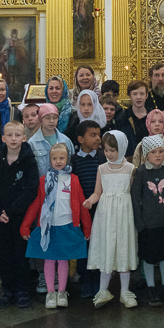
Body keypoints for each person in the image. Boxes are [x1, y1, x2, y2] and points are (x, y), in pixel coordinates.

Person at [22, 143, 92, 310]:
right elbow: (36, 204)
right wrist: (25, 226)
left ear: (67, 159)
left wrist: (87, 228)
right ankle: (50, 292)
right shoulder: (44, 180)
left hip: (67, 226)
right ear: (50, 160)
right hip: (48, 228)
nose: (58, 161)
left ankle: (62, 291)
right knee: (49, 259)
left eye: (62, 158)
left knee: (63, 260)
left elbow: (82, 205)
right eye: (55, 158)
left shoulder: (73, 180)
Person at [0, 120, 38, 309]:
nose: (14, 139)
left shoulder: (28, 159)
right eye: (10, 135)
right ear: (3, 138)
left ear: (24, 137)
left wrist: (13, 209)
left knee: (20, 253)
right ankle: (7, 289)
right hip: (1, 216)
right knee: (4, 253)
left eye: (18, 135)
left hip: (20, 216)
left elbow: (32, 189)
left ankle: (22, 289)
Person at [84, 131, 139, 308]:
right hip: (106, 213)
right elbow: (97, 192)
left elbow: (133, 192)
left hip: (124, 213)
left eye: (112, 150)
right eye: (106, 150)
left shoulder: (130, 169)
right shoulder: (102, 168)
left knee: (124, 247)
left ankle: (125, 291)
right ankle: (103, 290)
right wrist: (90, 201)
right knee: (106, 247)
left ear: (121, 148)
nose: (109, 154)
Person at [130, 134, 164, 306]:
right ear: (146, 155)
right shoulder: (142, 172)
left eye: (161, 151)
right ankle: (151, 287)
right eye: (154, 152)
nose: (158, 155)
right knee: (150, 257)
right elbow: (135, 199)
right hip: (149, 225)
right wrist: (140, 223)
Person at [70, 119, 106, 299]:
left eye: (99, 135)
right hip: (82, 210)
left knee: (99, 245)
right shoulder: (74, 160)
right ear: (80, 139)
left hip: (100, 209)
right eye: (93, 135)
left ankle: (99, 281)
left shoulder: (102, 157)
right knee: (84, 245)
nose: (98, 139)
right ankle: (86, 280)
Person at [29, 103, 75, 175]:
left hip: (63, 184)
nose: (51, 121)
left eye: (55, 117)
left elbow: (72, 163)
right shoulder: (32, 143)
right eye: (47, 118)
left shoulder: (66, 141)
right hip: (42, 184)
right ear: (40, 119)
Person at [116, 80, 152, 150]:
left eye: (142, 94)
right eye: (134, 94)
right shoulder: (122, 118)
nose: (138, 97)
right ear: (130, 96)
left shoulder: (153, 116)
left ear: (146, 95)